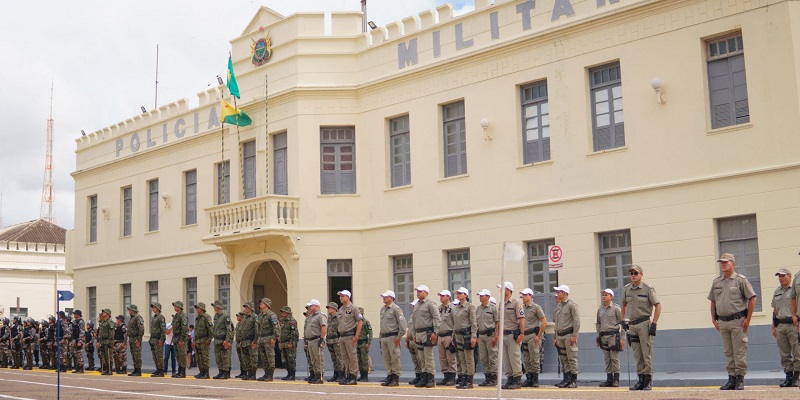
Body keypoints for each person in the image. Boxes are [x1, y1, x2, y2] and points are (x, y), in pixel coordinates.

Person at [709, 253, 756, 390]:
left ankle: (740, 379)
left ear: (733, 264)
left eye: (726, 262)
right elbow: (713, 302)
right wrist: (714, 319)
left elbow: (752, 298)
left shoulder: (740, 280)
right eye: (721, 262)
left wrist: (748, 319)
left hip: (738, 321)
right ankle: (731, 378)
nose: (723, 264)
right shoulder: (717, 282)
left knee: (739, 351)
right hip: (723, 322)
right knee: (728, 351)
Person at [621, 265, 661, 390]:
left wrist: (654, 323)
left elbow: (658, 306)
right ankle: (641, 380)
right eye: (631, 273)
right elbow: (623, 304)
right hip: (632, 325)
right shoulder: (627, 289)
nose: (633, 275)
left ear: (641, 274)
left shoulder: (648, 289)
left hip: (644, 324)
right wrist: (623, 320)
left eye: (636, 273)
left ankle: (648, 380)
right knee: (637, 354)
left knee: (646, 353)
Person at [772, 268, 799, 387]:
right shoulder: (777, 291)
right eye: (779, 276)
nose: (781, 278)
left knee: (797, 351)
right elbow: (775, 310)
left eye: (783, 276)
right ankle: (788, 376)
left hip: (793, 324)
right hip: (780, 325)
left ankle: (796, 377)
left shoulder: (794, 290)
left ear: (789, 276)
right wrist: (773, 327)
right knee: (784, 353)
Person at [411, 284, 440, 388]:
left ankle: (431, 377)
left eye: (420, 291)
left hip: (427, 333)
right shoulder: (417, 305)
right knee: (421, 357)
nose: (418, 293)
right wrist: (414, 334)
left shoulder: (430, 304)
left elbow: (437, 318)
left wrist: (435, 332)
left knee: (428, 357)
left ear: (426, 293)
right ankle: (424, 377)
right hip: (418, 333)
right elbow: (414, 320)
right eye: (417, 291)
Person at [497, 282, 524, 390]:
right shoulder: (501, 304)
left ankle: (517, 380)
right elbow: (499, 321)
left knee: (514, 357)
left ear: (508, 290)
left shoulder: (516, 304)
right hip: (503, 334)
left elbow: (521, 319)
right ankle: (510, 378)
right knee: (506, 358)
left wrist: (522, 333)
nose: (500, 291)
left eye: (502, 288)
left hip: (513, 334)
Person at [553, 284, 580, 388]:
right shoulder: (558, 307)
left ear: (564, 293)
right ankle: (566, 378)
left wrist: (574, 335)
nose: (557, 294)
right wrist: (555, 337)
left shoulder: (571, 305)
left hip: (569, 334)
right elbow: (556, 324)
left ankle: (573, 380)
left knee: (571, 357)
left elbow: (576, 321)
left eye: (559, 292)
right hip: (560, 335)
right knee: (563, 358)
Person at [596, 288, 624, 388]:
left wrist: (622, 338)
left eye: (606, 294)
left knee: (614, 358)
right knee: (607, 358)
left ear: (611, 296)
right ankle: (609, 379)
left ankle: (616, 379)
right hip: (603, 336)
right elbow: (598, 323)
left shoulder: (616, 308)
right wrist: (598, 335)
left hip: (613, 335)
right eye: (603, 295)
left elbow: (622, 323)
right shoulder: (600, 309)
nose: (604, 296)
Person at [378, 290, 406, 387]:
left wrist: (399, 337)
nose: (384, 298)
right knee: (386, 358)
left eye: (386, 297)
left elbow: (403, 325)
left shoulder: (396, 309)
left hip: (393, 336)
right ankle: (389, 375)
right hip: (384, 336)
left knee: (394, 357)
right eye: (383, 297)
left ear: (391, 298)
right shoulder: (383, 309)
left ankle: (395, 377)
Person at [520, 287, 547, 388]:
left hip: (532, 335)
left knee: (534, 358)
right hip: (524, 335)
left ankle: (535, 379)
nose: (523, 297)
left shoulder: (536, 307)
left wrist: (539, 335)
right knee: (526, 358)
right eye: (523, 295)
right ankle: (529, 378)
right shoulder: (521, 308)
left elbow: (544, 321)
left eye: (525, 295)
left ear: (531, 296)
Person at [336, 290, 363, 385]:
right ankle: (348, 375)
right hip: (342, 336)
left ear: (348, 297)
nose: (341, 298)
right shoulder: (341, 309)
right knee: (344, 357)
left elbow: (360, 322)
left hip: (350, 335)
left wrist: (356, 336)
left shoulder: (354, 308)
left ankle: (353, 376)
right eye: (340, 296)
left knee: (352, 356)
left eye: (342, 296)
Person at [452, 287, 477, 389]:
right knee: (461, 358)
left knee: (468, 358)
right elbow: (455, 323)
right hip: (458, 335)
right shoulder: (456, 308)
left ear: (466, 295)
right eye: (457, 293)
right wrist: (453, 336)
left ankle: (470, 381)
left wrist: (474, 336)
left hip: (467, 334)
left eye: (460, 293)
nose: (458, 295)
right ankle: (463, 378)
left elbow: (473, 322)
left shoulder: (470, 307)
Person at [476, 289, 499, 387]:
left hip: (490, 334)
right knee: (483, 358)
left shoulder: (493, 308)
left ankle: (494, 378)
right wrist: (476, 336)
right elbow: (476, 323)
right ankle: (487, 377)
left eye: (482, 295)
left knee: (493, 356)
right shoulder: (478, 309)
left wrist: (496, 335)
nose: (480, 297)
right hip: (481, 335)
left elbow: (497, 322)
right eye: (480, 295)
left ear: (488, 297)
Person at [436, 289, 457, 386]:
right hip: (440, 336)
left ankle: (452, 377)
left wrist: (454, 338)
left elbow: (455, 323)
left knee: (450, 357)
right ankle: (446, 376)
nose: (441, 297)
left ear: (448, 297)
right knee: (442, 358)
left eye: (443, 296)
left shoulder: (453, 308)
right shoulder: (439, 308)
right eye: (440, 295)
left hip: (449, 335)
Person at [304, 299, 327, 384]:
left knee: (318, 359)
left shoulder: (321, 315)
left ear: (316, 306)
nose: (309, 307)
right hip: (310, 340)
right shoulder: (311, 316)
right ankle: (315, 375)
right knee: (313, 359)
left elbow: (324, 327)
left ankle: (319, 376)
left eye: (311, 305)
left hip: (317, 339)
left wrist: (321, 339)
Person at [256, 297, 280, 382]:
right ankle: (265, 373)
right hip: (262, 339)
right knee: (263, 358)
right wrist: (258, 338)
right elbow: (259, 328)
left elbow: (276, 327)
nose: (260, 304)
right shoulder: (260, 315)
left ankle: (270, 375)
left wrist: (275, 338)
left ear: (267, 305)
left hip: (269, 338)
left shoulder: (271, 315)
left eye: (262, 303)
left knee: (270, 357)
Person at [211, 300, 233, 380]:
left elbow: (229, 329)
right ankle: (220, 372)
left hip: (223, 340)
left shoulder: (225, 315)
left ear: (218, 307)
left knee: (225, 357)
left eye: (214, 306)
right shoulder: (216, 316)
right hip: (217, 340)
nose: (213, 307)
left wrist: (227, 340)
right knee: (218, 357)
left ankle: (226, 373)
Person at [278, 306, 299, 381]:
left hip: (289, 343)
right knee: (285, 360)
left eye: (284, 312)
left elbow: (294, 333)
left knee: (291, 359)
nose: (282, 313)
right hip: (283, 343)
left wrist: (291, 343)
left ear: (288, 313)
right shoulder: (282, 321)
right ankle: (288, 374)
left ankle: (292, 375)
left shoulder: (292, 321)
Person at [193, 302, 213, 379]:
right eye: (197, 308)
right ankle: (201, 371)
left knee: (205, 357)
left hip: (204, 340)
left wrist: (209, 339)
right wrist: (194, 340)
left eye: (198, 308)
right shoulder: (197, 317)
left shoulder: (206, 317)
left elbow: (210, 329)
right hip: (198, 340)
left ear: (202, 308)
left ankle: (206, 373)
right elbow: (196, 330)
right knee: (199, 357)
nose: (197, 309)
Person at [325, 302, 343, 382]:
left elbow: (341, 328)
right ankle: (335, 374)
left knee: (339, 358)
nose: (329, 309)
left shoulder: (339, 317)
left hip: (337, 340)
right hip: (329, 340)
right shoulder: (329, 317)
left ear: (334, 308)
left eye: (330, 308)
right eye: (328, 308)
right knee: (334, 359)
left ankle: (341, 374)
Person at [239, 302, 258, 380]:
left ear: (251, 308)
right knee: (246, 359)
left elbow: (257, 330)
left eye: (247, 307)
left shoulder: (254, 317)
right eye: (245, 307)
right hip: (244, 341)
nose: (245, 308)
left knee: (253, 358)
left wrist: (255, 341)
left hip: (251, 341)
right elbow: (241, 329)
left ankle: (253, 374)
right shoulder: (244, 317)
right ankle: (249, 373)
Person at [406, 299, 422, 385]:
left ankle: (422, 376)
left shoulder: (419, 316)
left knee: (420, 359)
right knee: (415, 360)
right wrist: (407, 340)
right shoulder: (412, 316)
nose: (412, 307)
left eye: (414, 305)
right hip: (411, 340)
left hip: (417, 340)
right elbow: (409, 329)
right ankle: (417, 376)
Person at [171, 301, 189, 378]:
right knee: (178, 356)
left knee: (182, 355)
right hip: (175, 338)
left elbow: (184, 328)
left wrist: (181, 340)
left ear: (179, 307)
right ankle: (179, 371)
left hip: (181, 338)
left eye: (175, 306)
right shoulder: (176, 315)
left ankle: (183, 372)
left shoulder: (183, 315)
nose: (174, 307)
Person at [125, 305, 144, 376]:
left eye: (130, 309)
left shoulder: (138, 317)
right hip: (131, 338)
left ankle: (138, 370)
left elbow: (141, 329)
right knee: (133, 354)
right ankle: (135, 369)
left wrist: (139, 339)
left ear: (133, 310)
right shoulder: (132, 318)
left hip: (136, 338)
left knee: (137, 355)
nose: (129, 311)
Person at [149, 303, 167, 377]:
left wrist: (161, 339)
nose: (153, 308)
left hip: (158, 339)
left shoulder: (161, 317)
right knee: (155, 355)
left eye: (154, 307)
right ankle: (157, 369)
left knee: (159, 355)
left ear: (158, 308)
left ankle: (161, 370)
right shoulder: (154, 317)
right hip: (153, 339)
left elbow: (163, 329)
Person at [356, 306, 372, 382]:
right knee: (359, 360)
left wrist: (368, 343)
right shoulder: (355, 322)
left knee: (364, 360)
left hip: (363, 342)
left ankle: (365, 376)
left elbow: (370, 333)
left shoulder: (365, 322)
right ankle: (361, 375)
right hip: (357, 342)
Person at [97, 309, 115, 375]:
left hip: (107, 341)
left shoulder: (110, 322)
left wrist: (110, 341)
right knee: (104, 356)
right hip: (103, 341)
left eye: (104, 312)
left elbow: (111, 332)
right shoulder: (103, 322)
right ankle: (107, 369)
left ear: (107, 314)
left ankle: (109, 370)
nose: (102, 313)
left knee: (108, 356)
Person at [234, 312, 246, 379]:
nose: (237, 317)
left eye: (238, 316)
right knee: (240, 359)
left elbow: (243, 333)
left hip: (242, 342)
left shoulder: (243, 324)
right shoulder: (238, 324)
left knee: (244, 359)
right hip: (238, 343)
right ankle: (242, 372)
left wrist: (242, 340)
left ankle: (245, 372)